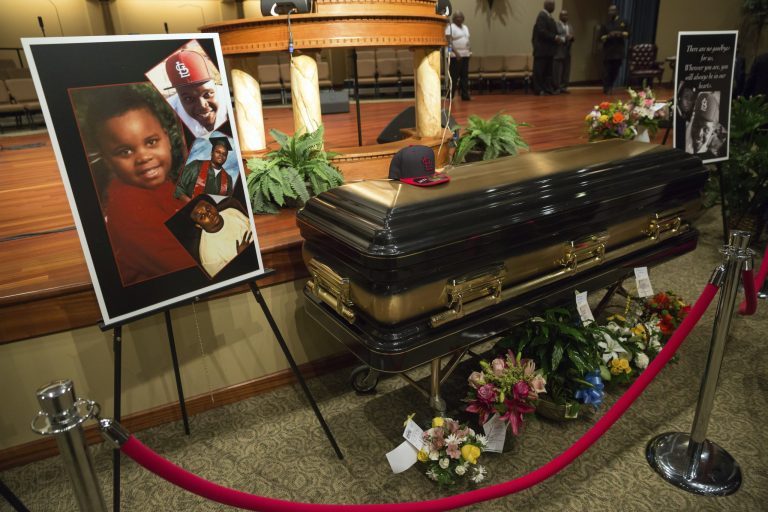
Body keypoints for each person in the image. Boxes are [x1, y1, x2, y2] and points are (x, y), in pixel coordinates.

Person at [84, 85, 196, 286]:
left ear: (167, 138)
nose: (144, 157)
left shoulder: (163, 186)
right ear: (108, 161)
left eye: (152, 142)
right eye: (125, 151)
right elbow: (187, 265)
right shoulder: (128, 210)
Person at [165, 49, 229, 138]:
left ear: (215, 85)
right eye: (188, 98)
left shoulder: (229, 98)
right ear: (178, 96)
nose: (202, 105)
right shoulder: (168, 115)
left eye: (207, 94)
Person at [189, 196, 252, 278]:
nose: (210, 214)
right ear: (199, 225)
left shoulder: (231, 211)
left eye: (208, 208)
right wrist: (241, 257)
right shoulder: (208, 257)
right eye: (202, 216)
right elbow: (228, 280)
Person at [175, 136, 235, 202]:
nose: (221, 155)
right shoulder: (195, 165)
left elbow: (226, 202)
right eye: (218, 152)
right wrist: (191, 204)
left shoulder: (228, 179)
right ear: (211, 153)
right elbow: (178, 189)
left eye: (224, 154)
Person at [532, 0, 564, 96]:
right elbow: (542, 31)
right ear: (546, 5)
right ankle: (539, 90)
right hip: (542, 50)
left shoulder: (550, 17)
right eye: (552, 5)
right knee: (539, 71)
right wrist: (555, 37)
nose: (553, 7)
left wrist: (559, 37)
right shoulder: (542, 16)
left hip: (549, 51)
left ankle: (547, 89)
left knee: (548, 72)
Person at [685, 91, 727, 158]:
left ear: (712, 132)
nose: (699, 134)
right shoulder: (681, 133)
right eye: (696, 125)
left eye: (706, 129)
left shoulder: (715, 153)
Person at [600, 5, 629, 95]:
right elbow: (600, 37)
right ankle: (607, 88)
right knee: (606, 71)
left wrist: (619, 33)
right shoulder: (606, 24)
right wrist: (609, 35)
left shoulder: (623, 22)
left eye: (612, 11)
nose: (610, 12)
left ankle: (610, 85)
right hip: (608, 51)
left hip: (618, 51)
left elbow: (628, 34)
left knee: (615, 71)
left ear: (617, 11)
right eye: (609, 11)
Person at [445, 11, 472, 101]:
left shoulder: (465, 27)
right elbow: (448, 42)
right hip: (454, 56)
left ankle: (465, 95)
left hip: (465, 55)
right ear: (453, 19)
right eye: (457, 17)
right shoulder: (450, 28)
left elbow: (467, 39)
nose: (459, 19)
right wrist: (456, 53)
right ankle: (450, 95)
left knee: (464, 76)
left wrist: (469, 51)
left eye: (461, 17)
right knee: (454, 76)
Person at [553, 9, 574, 93]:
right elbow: (555, 36)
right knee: (558, 71)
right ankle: (557, 87)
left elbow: (572, 35)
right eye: (563, 15)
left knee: (566, 70)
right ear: (560, 16)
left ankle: (564, 87)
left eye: (566, 15)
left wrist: (572, 37)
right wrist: (565, 37)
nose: (565, 16)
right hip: (558, 51)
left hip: (567, 51)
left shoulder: (570, 25)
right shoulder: (556, 25)